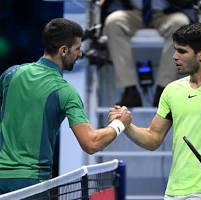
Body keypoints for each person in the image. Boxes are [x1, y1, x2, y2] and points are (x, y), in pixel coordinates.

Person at [109, 23, 201, 199]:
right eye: (175, 50)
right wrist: (127, 126)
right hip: (173, 193)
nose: (175, 56)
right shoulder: (171, 91)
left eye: (182, 51)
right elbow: (153, 138)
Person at [0, 18, 131, 194]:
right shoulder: (65, 92)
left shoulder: (11, 74)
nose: (80, 54)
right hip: (31, 186)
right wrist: (120, 124)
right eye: (77, 48)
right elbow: (91, 143)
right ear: (63, 50)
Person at [101, 0, 196, 107]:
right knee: (113, 21)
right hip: (133, 11)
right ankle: (130, 89)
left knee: (180, 23)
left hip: (167, 12)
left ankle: (163, 90)